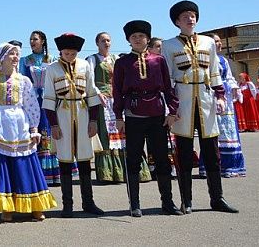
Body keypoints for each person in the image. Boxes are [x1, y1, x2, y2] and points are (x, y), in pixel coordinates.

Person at [162, 0, 238, 214]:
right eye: (185, 16)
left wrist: (221, 96)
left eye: (193, 15)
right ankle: (186, 200)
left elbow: (214, 72)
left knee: (212, 154)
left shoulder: (208, 42)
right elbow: (167, 77)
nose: (190, 18)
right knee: (184, 154)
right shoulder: (169, 45)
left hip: (206, 101)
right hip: (183, 102)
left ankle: (217, 198)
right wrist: (171, 107)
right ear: (177, 21)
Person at [112, 21, 183, 217]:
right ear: (128, 40)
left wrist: (172, 111)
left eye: (141, 36)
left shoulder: (158, 60)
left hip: (157, 115)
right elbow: (117, 91)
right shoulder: (122, 62)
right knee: (133, 159)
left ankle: (167, 203)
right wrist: (118, 116)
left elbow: (168, 88)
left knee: (162, 159)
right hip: (134, 115)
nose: (137, 39)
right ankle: (134, 204)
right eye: (133, 36)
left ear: (147, 38)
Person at [0, 44, 57, 222]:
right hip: (1, 125)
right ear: (2, 58)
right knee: (4, 166)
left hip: (20, 125)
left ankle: (35, 206)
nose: (16, 57)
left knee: (27, 164)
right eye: (12, 54)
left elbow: (31, 105)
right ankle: (6, 207)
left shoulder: (24, 81)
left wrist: (34, 129)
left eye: (17, 54)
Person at [42, 33, 104, 218]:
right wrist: (53, 125)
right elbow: (49, 99)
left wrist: (93, 121)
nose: (69, 55)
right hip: (62, 115)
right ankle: (67, 204)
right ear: (61, 51)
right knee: (65, 162)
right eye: (66, 52)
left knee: (85, 161)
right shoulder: (52, 69)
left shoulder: (85, 65)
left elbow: (92, 94)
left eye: (73, 52)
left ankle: (89, 202)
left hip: (83, 114)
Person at [87, 32, 151, 184]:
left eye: (108, 40)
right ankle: (109, 173)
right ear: (97, 43)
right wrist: (97, 93)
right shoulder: (93, 59)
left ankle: (130, 170)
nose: (106, 43)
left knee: (123, 134)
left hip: (117, 99)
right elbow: (89, 79)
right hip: (103, 101)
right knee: (106, 135)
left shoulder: (117, 59)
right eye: (103, 40)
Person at [19, 30, 63, 186]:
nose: (32, 41)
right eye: (30, 39)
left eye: (35, 39)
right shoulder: (24, 61)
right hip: (32, 102)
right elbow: (22, 82)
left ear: (43, 41)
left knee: (50, 130)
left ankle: (54, 172)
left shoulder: (52, 60)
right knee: (35, 132)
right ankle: (37, 173)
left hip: (49, 101)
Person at [198, 34, 246, 178]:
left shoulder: (224, 60)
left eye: (219, 41)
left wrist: (234, 87)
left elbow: (229, 78)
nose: (218, 44)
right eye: (215, 42)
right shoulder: (204, 59)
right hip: (210, 96)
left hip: (225, 98)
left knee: (228, 131)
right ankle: (211, 166)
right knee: (212, 131)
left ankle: (230, 166)